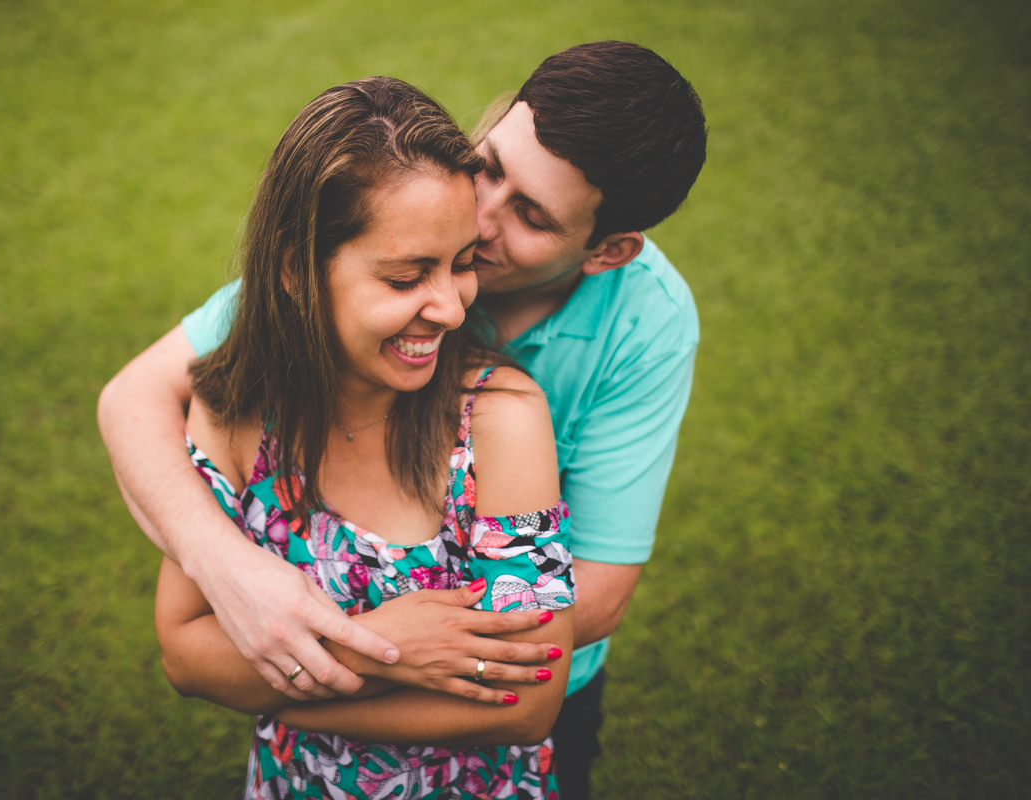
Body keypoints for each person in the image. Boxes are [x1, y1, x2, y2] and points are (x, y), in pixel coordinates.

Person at [99, 41, 706, 799]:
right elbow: (132, 397)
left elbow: (595, 600)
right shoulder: (396, 227)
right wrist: (236, 576)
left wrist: (310, 663)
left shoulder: (632, 331)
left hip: (500, 707)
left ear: (606, 250)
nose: (478, 220)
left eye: (531, 216)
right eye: (490, 167)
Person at [153, 76, 575, 799]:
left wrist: (282, 688)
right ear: (296, 271)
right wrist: (386, 650)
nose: (448, 307)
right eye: (408, 276)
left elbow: (528, 702)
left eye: (462, 263)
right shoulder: (233, 413)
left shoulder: (501, 417)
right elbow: (187, 652)